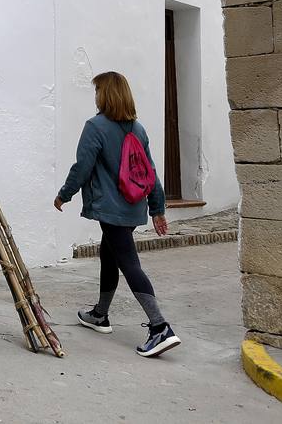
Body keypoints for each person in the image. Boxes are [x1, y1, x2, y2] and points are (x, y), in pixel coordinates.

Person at [54, 71, 181, 358]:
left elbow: (82, 167)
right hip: (133, 206)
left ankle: (160, 327)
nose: (96, 95)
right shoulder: (138, 129)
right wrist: (157, 208)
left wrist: (65, 193)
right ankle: (100, 314)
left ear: (105, 94)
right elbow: (151, 173)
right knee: (109, 254)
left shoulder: (95, 126)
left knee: (128, 263)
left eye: (97, 90)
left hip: (110, 208)